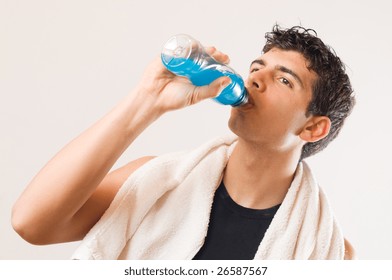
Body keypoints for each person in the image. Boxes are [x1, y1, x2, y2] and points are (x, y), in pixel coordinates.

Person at [12, 25, 356, 260]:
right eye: (256, 66)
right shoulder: (154, 183)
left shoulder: (327, 249)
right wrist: (147, 100)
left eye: (283, 79)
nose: (255, 79)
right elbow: (31, 223)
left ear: (313, 129)